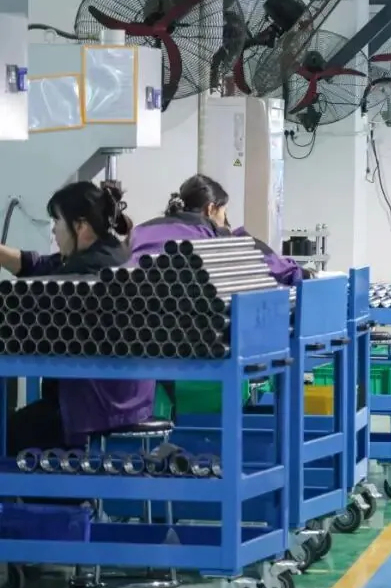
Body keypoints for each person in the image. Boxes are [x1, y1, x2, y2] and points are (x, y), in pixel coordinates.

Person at [0, 181, 156, 456]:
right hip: (128, 400)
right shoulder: (112, 252)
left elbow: (47, 284)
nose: (54, 231)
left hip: (94, 406)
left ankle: (57, 499)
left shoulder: (90, 271)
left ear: (80, 226)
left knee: (8, 435)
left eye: (57, 221)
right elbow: (39, 265)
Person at [129, 173, 307, 286]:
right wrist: (302, 273)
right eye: (224, 212)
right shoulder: (209, 240)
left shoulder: (140, 230)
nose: (224, 219)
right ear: (210, 209)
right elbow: (272, 267)